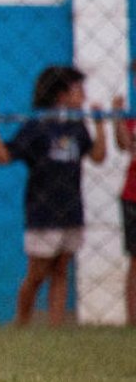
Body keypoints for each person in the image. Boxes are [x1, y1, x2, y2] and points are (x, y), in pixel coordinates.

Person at [0, 65, 106, 326]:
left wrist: (100, 126)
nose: (84, 96)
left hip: (71, 208)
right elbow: (4, 156)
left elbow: (97, 156)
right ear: (61, 95)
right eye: (78, 90)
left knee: (61, 269)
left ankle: (55, 328)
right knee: (37, 273)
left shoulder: (77, 126)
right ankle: (21, 323)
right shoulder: (37, 126)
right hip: (42, 211)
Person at [112, 79, 136, 326]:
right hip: (133, 196)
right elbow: (125, 145)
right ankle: (132, 320)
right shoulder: (131, 119)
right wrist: (117, 117)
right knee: (135, 259)